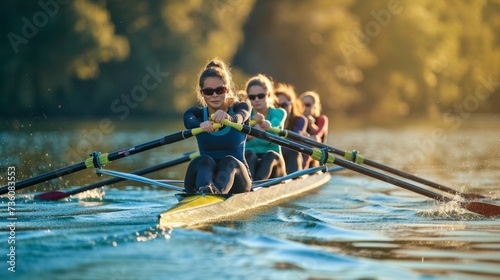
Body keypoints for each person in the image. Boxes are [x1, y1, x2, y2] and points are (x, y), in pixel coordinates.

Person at [183, 58, 252, 194]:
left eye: (219, 90)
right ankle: (206, 189)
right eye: (208, 92)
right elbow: (188, 120)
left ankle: (215, 193)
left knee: (228, 161)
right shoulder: (195, 114)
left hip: (238, 180)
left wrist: (229, 118)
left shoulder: (240, 107)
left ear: (227, 90)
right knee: (202, 160)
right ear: (202, 93)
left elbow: (241, 116)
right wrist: (201, 124)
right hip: (205, 174)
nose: (214, 95)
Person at [245, 74, 287, 181]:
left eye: (261, 95)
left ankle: (255, 184)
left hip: (274, 164)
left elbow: (276, 125)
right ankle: (250, 184)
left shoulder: (279, 113)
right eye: (252, 97)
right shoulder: (244, 115)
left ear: (268, 95)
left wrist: (267, 124)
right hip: (251, 160)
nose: (257, 100)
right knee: (248, 154)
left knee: (270, 155)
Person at [275, 83, 308, 174]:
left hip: (294, 159)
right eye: (278, 105)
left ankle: (294, 177)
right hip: (277, 158)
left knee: (294, 152)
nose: (281, 109)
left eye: (284, 105)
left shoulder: (301, 120)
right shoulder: (270, 120)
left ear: (291, 104)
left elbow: (294, 140)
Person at [299, 91, 329, 169]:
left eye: (308, 105)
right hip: (301, 151)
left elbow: (318, 134)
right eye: (302, 105)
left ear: (315, 106)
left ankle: (303, 169)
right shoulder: (299, 119)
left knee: (314, 138)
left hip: (317, 155)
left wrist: (311, 124)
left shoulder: (322, 119)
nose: (304, 107)